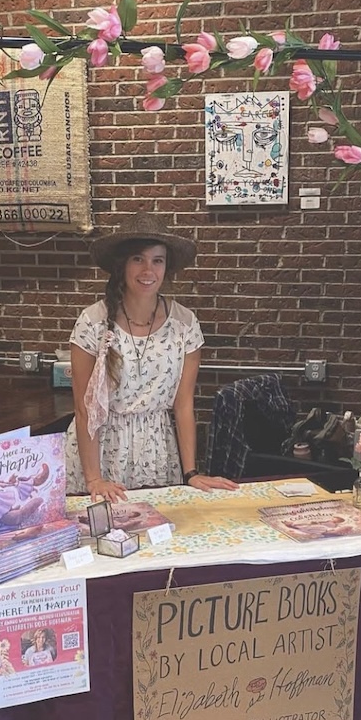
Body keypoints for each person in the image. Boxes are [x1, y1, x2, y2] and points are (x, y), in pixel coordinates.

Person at [64, 212, 238, 503]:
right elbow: (85, 410)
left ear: (166, 267)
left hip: (157, 453)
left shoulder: (185, 324)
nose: (148, 270)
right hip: (101, 454)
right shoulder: (92, 322)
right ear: (122, 265)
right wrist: (94, 479)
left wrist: (190, 472)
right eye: (138, 259)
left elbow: (183, 404)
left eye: (157, 260)